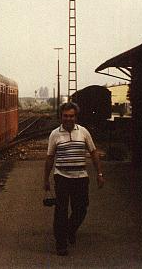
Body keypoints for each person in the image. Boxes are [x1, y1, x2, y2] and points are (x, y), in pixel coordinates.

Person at [44, 102, 105, 256]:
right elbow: (50, 158)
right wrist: (45, 179)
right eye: (65, 116)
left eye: (71, 116)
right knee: (61, 211)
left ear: (76, 117)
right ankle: (61, 244)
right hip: (62, 177)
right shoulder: (55, 134)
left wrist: (99, 174)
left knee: (81, 209)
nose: (68, 119)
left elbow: (93, 152)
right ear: (61, 117)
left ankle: (70, 229)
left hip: (80, 178)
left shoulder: (84, 132)